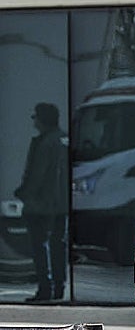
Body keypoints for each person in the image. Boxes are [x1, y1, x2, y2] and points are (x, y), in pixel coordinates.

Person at [16, 102, 69, 303]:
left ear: (42, 119)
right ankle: (58, 286)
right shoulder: (63, 140)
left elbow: (37, 175)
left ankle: (45, 288)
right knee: (58, 246)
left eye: (35, 116)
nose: (33, 120)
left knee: (41, 247)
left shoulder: (44, 143)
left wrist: (24, 192)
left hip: (42, 205)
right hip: (61, 205)